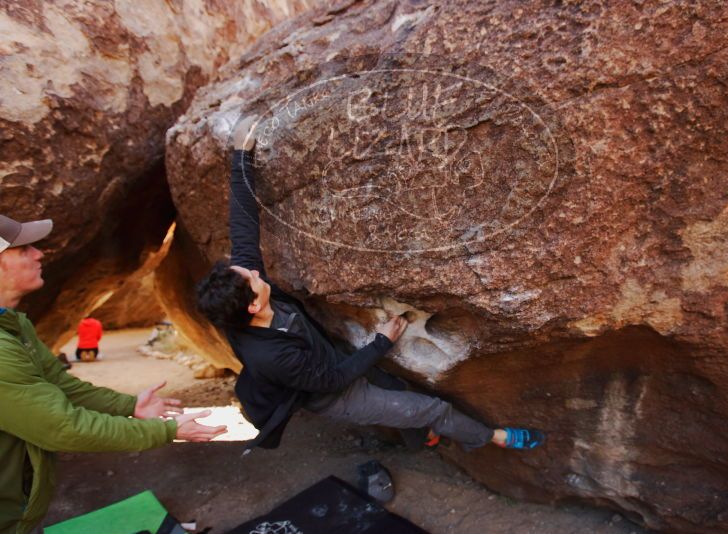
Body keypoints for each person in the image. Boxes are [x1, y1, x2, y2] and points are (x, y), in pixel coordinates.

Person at [195, 115, 546, 456]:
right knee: (431, 410)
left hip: (327, 358)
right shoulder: (275, 357)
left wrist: (242, 155)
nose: (256, 273)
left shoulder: (240, 304)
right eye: (252, 279)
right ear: (253, 307)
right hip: (336, 394)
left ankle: (423, 440)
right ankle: (492, 437)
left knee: (396, 388)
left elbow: (243, 222)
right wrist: (381, 342)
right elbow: (333, 380)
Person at [0, 214, 228, 534]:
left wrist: (129, 406)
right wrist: (165, 431)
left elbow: (62, 385)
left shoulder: (14, 325)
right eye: (24, 250)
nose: (39, 254)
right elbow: (62, 427)